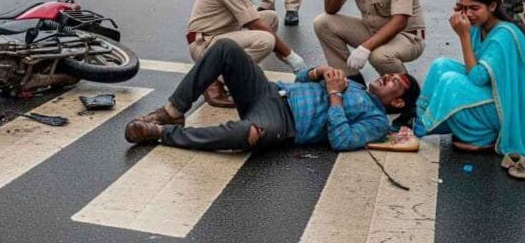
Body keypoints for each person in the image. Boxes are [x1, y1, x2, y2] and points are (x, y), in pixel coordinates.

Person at [123, 38, 420, 152]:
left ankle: (162, 133)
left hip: (284, 123)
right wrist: (318, 73)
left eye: (395, 81)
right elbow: (300, 78)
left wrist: (334, 96)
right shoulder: (355, 84)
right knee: (226, 47)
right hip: (270, 92)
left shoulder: (377, 122)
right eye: (390, 73)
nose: (387, 76)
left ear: (396, 102)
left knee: (244, 133)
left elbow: (342, 140)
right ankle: (174, 111)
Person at [414, 0, 525, 170]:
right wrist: (468, 30)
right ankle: (421, 119)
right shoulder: (480, 27)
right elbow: (474, 69)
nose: (468, 14)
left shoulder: (504, 36)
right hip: (491, 93)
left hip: (505, 108)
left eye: (474, 8)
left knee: (451, 82)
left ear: (492, 6)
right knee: (440, 66)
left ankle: (483, 136)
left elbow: (476, 77)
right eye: (464, 8)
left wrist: (464, 36)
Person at [186, 0, 307, 106]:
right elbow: (254, 23)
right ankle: (215, 77)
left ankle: (232, 73)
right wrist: (291, 57)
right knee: (266, 40)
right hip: (205, 44)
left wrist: (285, 54)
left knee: (270, 18)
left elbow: (255, 19)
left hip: (223, 34)